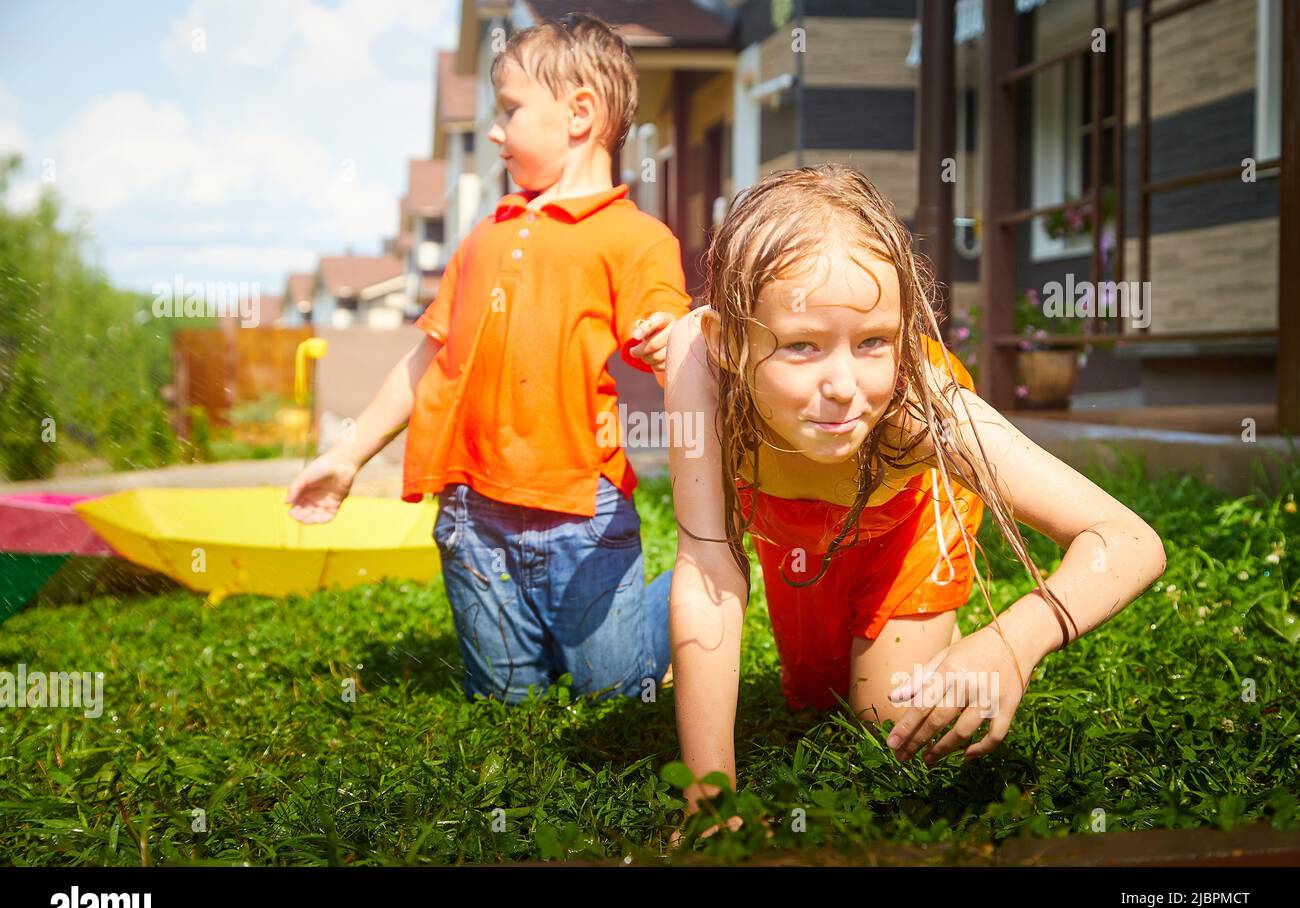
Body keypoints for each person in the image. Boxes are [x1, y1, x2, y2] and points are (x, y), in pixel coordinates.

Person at [664, 164, 1166, 836]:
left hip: (905, 515)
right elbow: (708, 569)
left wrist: (1012, 643)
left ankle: (937, 623)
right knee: (811, 697)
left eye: (873, 341)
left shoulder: (917, 409)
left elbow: (1128, 540)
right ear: (729, 342)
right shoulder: (697, 364)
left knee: (886, 725)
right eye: (802, 347)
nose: (844, 385)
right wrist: (710, 798)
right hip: (791, 526)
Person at [286, 14, 690, 704]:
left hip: (581, 514)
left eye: (509, 111)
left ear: (580, 114)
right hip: (473, 518)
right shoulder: (482, 240)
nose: (496, 131)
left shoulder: (636, 236)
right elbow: (427, 360)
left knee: (615, 700)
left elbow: (670, 330)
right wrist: (347, 453)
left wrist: (663, 337)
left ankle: (678, 601)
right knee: (509, 709)